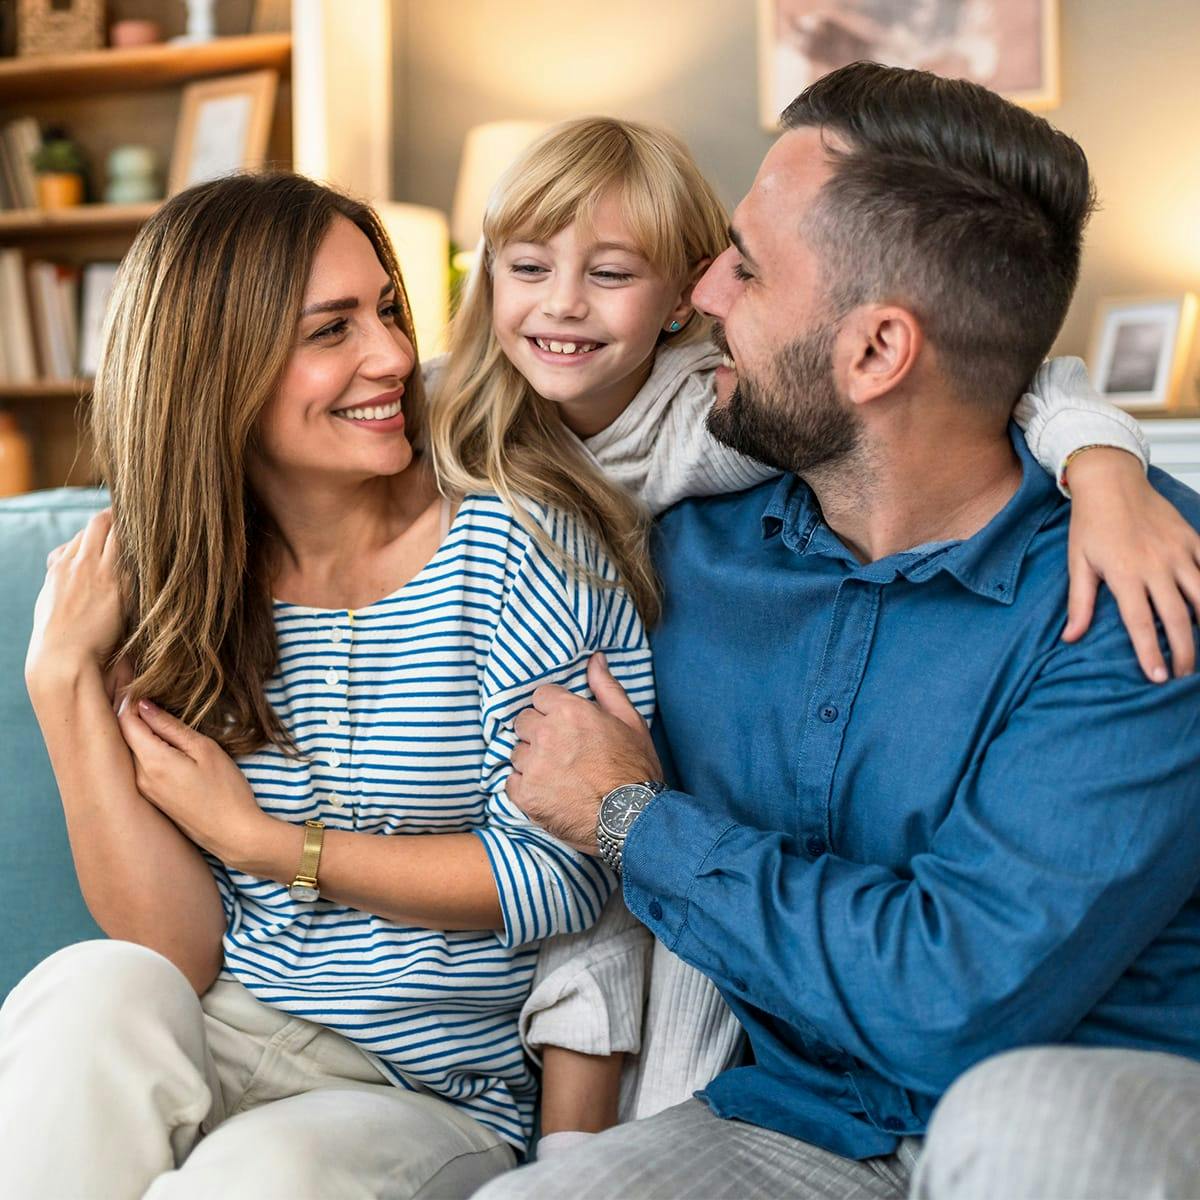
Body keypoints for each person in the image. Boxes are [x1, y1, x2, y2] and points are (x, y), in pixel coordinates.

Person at [477, 65, 1200, 1199]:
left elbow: (952, 1001)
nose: (702, 291)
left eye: (747, 268)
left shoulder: (1140, 581)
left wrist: (633, 819)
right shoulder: (684, 542)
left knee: (1017, 1124)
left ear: (875, 354)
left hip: (1084, 1103)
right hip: (802, 1121)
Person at [2, 172, 654, 1199]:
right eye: (331, 329)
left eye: (387, 311)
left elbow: (565, 877)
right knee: (85, 988)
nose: (393, 356)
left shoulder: (514, 549)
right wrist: (60, 679)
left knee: (260, 1176)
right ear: (217, 368)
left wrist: (269, 844)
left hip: (422, 1092)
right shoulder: (177, 581)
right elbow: (174, 948)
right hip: (223, 1031)